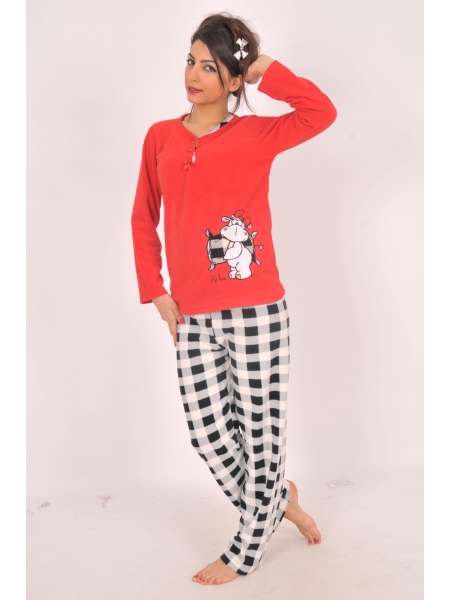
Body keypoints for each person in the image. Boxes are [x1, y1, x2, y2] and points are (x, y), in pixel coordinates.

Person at [131, 11, 337, 586]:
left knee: (261, 433)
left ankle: (245, 550)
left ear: (234, 78)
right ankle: (280, 500)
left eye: (210, 66)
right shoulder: (160, 136)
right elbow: (143, 216)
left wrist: (262, 66)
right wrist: (155, 291)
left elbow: (321, 112)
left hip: (257, 312)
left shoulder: (257, 134)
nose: (193, 75)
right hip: (191, 314)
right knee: (207, 432)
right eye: (190, 61)